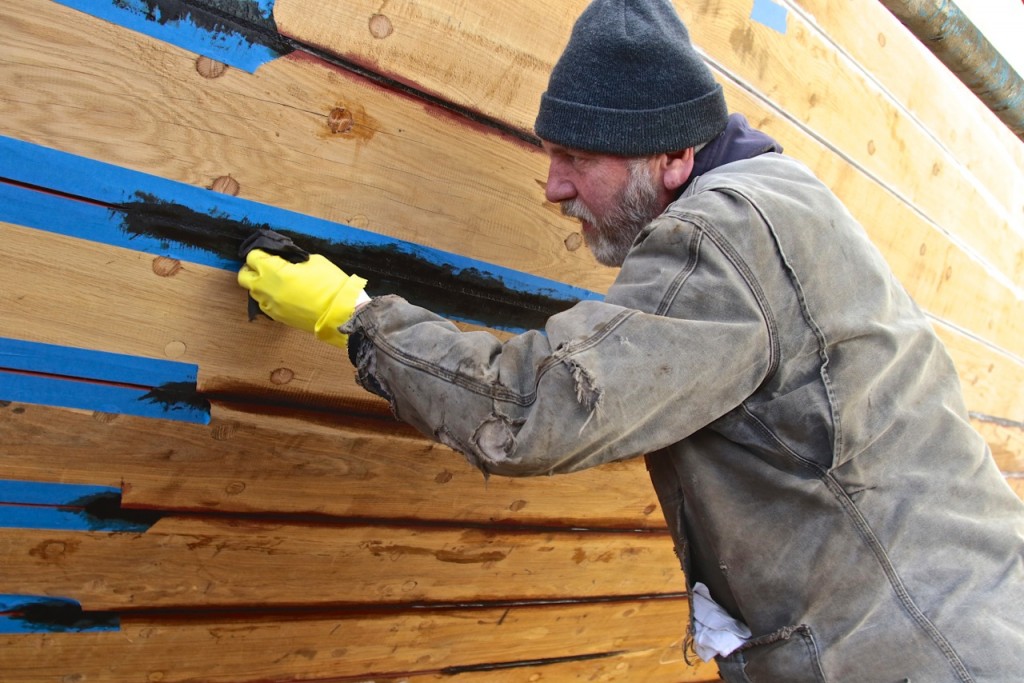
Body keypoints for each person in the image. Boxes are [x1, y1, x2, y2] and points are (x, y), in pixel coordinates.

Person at [238, 0, 1024, 680]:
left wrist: (355, 316)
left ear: (674, 157)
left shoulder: (723, 234)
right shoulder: (780, 194)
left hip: (923, 653)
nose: (553, 187)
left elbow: (537, 410)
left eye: (578, 158)